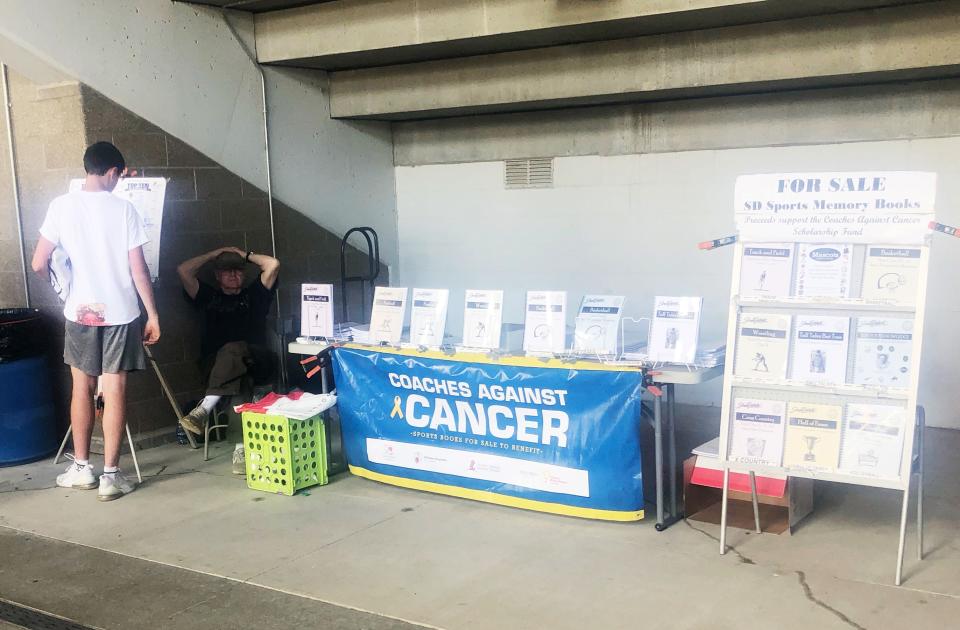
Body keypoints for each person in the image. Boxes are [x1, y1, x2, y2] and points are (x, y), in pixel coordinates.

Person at [31, 141, 160, 501]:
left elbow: (39, 263)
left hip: (80, 311)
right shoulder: (125, 210)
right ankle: (111, 476)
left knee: (81, 387)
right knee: (115, 389)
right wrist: (153, 314)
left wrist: (64, 290)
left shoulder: (61, 205)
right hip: (121, 313)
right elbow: (138, 269)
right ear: (113, 172)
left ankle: (82, 468)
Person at [176, 246, 279, 471]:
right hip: (217, 369)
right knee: (239, 379)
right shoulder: (208, 297)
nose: (233, 275)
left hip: (259, 360)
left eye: (238, 270)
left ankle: (205, 407)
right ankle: (240, 449)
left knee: (234, 349)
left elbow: (273, 264)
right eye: (226, 270)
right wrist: (214, 254)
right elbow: (183, 270)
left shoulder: (255, 294)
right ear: (217, 275)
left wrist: (245, 255)